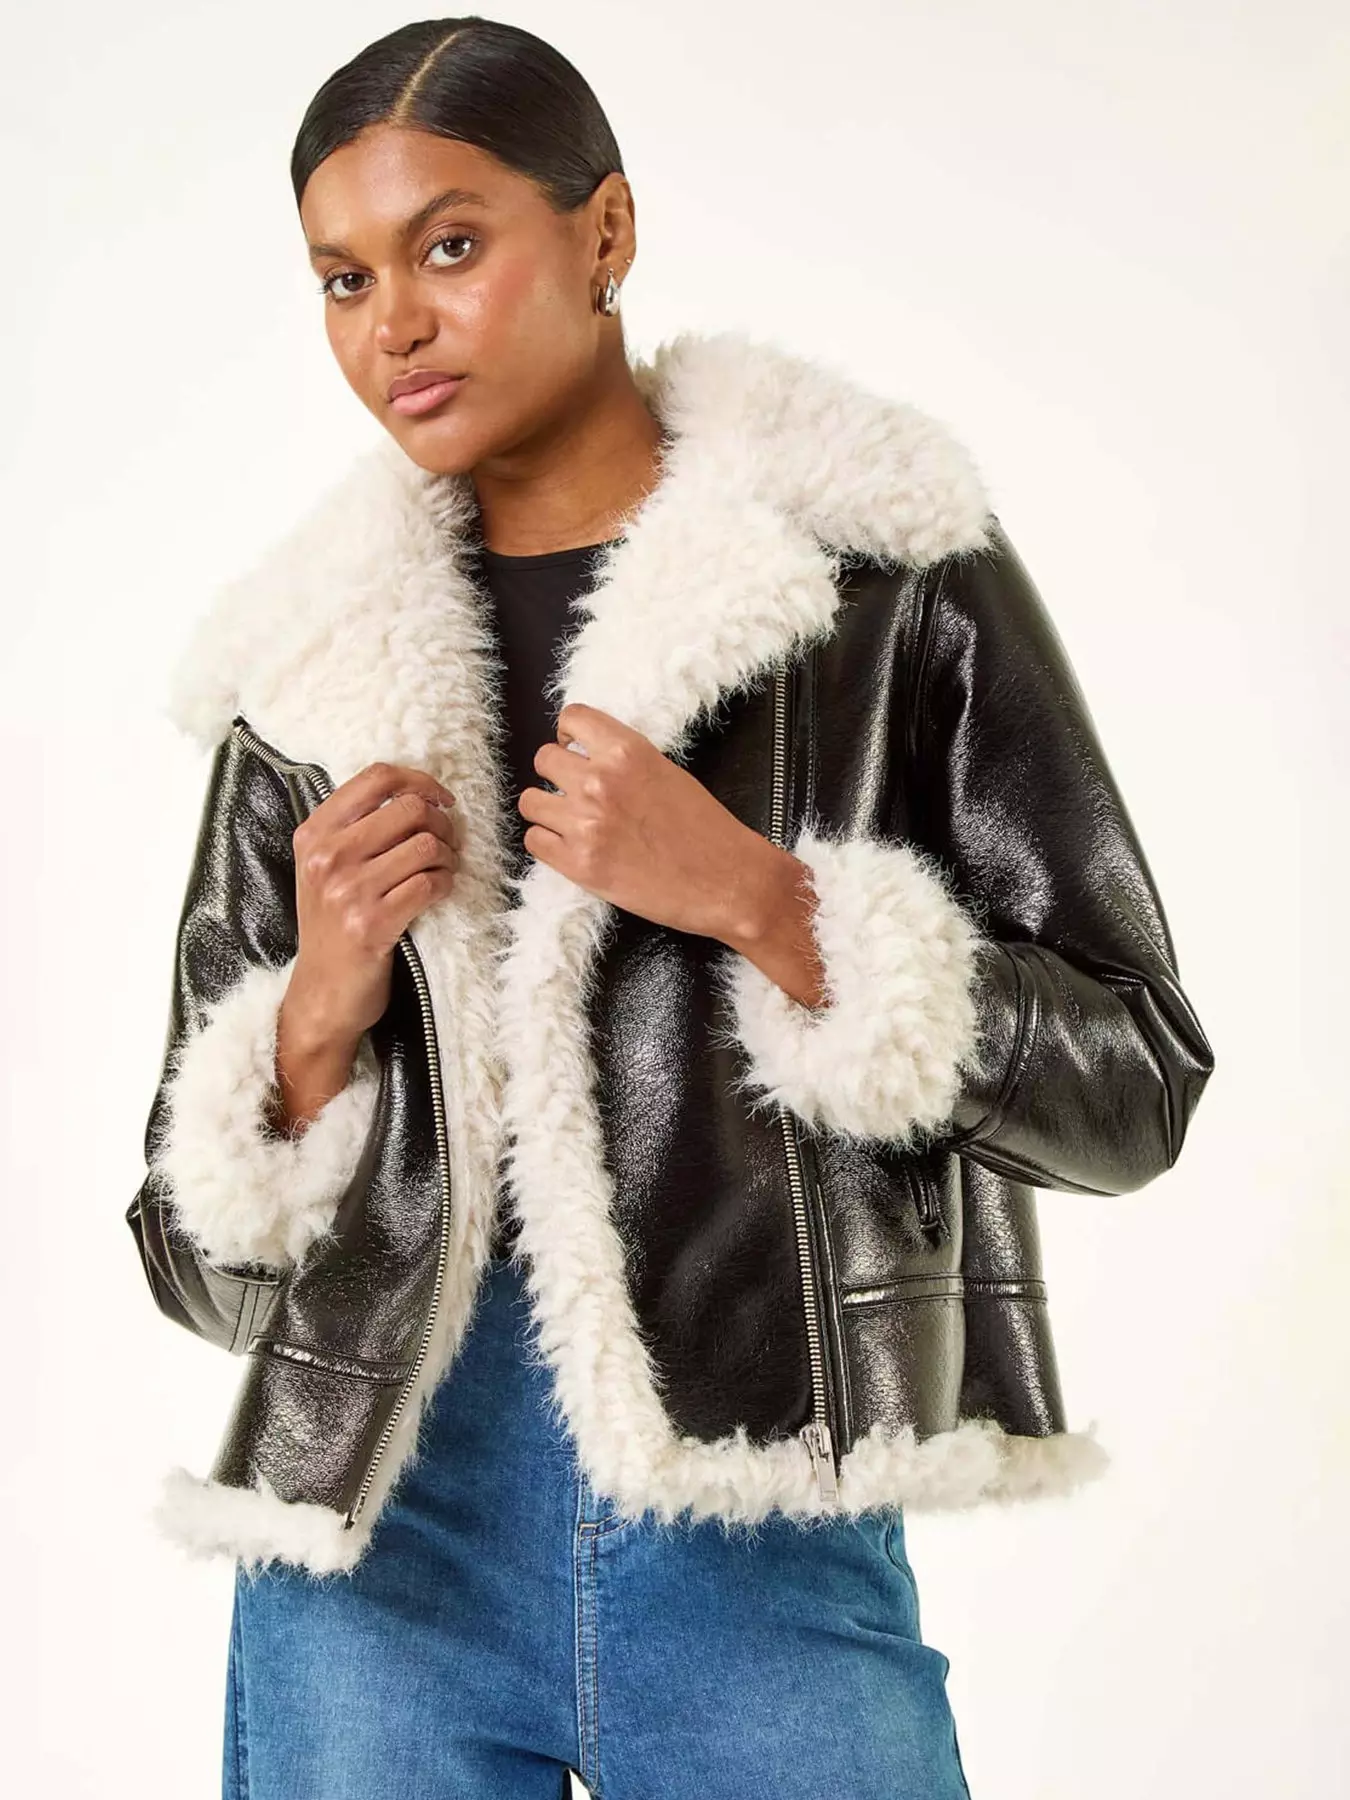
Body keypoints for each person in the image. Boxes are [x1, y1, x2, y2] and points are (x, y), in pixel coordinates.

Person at [126, 15, 1215, 1799]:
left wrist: (771, 905)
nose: (394, 324)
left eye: (450, 244)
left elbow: (1139, 1083)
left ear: (606, 233)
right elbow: (196, 1268)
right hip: (381, 1552)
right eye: (342, 278)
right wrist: (313, 1016)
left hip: (761, 1532)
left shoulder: (881, 580)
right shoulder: (309, 675)